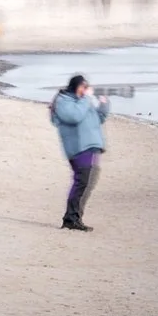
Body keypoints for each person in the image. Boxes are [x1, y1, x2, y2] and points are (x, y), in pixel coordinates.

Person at [49, 73, 109, 231]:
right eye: (83, 87)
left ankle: (74, 217)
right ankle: (71, 218)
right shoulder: (64, 101)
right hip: (78, 147)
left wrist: (104, 105)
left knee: (85, 183)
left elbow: (99, 119)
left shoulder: (82, 101)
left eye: (86, 87)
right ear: (75, 86)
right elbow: (74, 117)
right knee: (81, 182)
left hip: (90, 145)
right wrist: (87, 99)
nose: (85, 90)